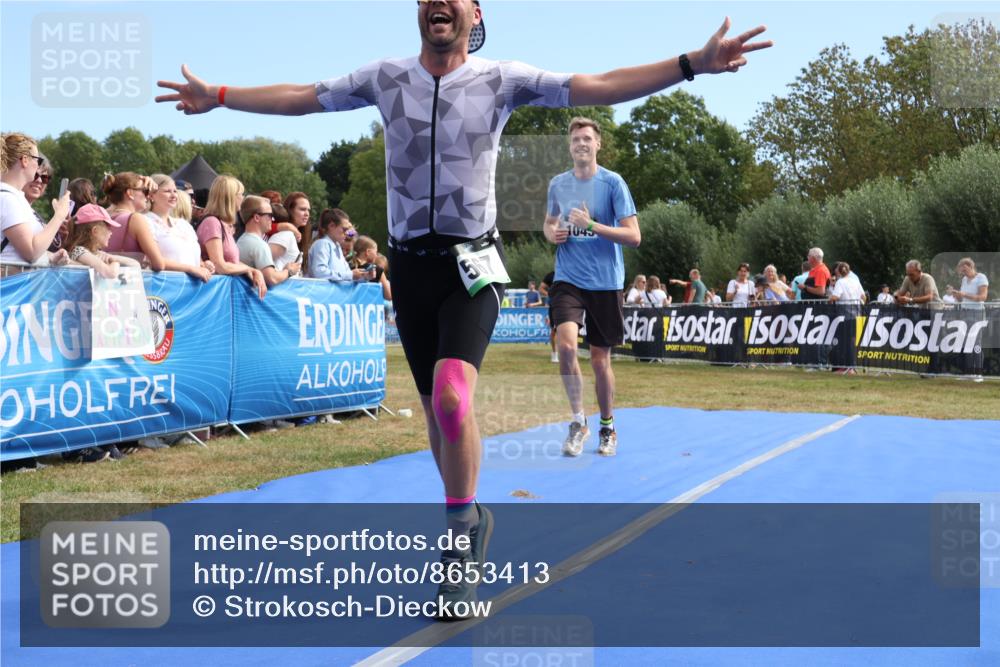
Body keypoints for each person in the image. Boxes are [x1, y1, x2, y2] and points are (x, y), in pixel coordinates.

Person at [157, 0, 771, 619]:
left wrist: (692, 63)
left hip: (471, 266)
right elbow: (302, 97)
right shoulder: (385, 77)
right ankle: (469, 511)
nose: (436, 3)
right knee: (436, 411)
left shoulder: (502, 80)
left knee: (453, 397)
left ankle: (459, 537)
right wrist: (221, 95)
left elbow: (601, 84)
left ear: (475, 13)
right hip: (412, 268)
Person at [543, 116, 640, 458]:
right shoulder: (558, 184)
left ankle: (607, 426)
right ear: (569, 147)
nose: (581, 144)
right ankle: (577, 422)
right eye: (575, 140)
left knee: (600, 360)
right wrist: (552, 233)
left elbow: (634, 236)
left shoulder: (613, 183)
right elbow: (549, 222)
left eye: (587, 138)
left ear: (598, 144)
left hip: (605, 281)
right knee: (567, 347)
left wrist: (592, 224)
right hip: (568, 278)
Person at [1, 132, 72, 266]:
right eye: (37, 160)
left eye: (45, 178)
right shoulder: (7, 199)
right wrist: (59, 215)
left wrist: (50, 258)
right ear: (25, 160)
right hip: (14, 280)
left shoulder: (14, 198)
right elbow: (31, 252)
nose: (37, 167)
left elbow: (17, 251)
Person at [197, 175, 267, 299]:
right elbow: (220, 265)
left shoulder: (221, 224)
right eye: (240, 194)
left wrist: (252, 270)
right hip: (211, 295)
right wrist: (249, 270)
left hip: (221, 294)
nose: (243, 198)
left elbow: (232, 262)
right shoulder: (212, 222)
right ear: (230, 197)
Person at [146, 174, 213, 281]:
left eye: (175, 191)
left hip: (193, 288)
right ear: (151, 196)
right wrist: (191, 269)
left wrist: (204, 265)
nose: (173, 195)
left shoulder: (184, 225)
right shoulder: (145, 221)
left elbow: (195, 260)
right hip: (166, 286)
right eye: (167, 191)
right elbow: (153, 261)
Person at [237, 195, 301, 286]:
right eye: (269, 215)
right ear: (256, 217)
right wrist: (289, 271)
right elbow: (272, 278)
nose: (272, 219)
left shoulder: (240, 241)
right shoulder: (259, 245)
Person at [308, 208, 369, 281]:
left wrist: (364, 276)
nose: (347, 233)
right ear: (331, 226)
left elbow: (346, 275)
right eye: (344, 229)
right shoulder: (322, 244)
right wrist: (350, 275)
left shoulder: (337, 247)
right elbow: (319, 273)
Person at [352, 234, 392, 300]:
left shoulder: (348, 268)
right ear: (368, 252)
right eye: (376, 252)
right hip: (371, 305)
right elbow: (388, 296)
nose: (376, 255)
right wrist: (387, 283)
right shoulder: (376, 270)